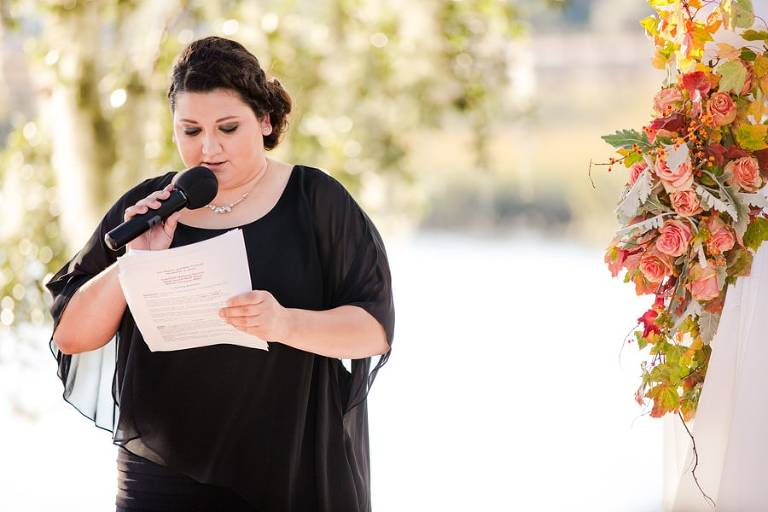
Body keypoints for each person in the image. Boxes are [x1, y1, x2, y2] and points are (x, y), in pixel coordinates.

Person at [45, 36, 395, 512]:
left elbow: (373, 331)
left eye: (227, 127)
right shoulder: (149, 208)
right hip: (163, 475)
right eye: (190, 131)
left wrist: (283, 323)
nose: (208, 148)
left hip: (289, 469)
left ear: (265, 121)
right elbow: (70, 336)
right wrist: (134, 264)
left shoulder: (318, 202)